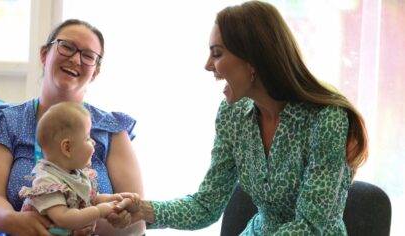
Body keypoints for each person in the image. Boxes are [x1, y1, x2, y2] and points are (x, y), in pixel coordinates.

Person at [115, 1, 368, 235]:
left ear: (253, 60)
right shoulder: (232, 114)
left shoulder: (327, 119)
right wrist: (143, 210)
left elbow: (311, 226)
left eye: (217, 53)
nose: (208, 65)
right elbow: (206, 205)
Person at [0, 19, 145, 235]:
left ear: (95, 72)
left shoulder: (111, 129)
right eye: (66, 47)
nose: (75, 59)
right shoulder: (5, 123)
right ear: (44, 55)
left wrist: (91, 222)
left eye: (88, 56)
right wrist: (13, 220)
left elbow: (136, 218)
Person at [18, 102, 132, 235]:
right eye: (88, 138)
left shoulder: (77, 174)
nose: (94, 142)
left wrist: (114, 199)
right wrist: (99, 211)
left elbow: (91, 198)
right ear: (67, 148)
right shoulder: (47, 181)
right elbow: (64, 218)